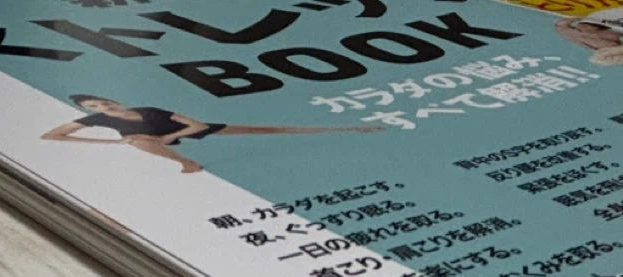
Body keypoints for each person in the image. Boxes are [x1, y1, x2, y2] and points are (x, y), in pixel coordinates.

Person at [42, 96, 384, 174]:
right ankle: (186, 163)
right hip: (155, 140)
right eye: (94, 105)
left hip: (181, 131)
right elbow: (53, 135)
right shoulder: (96, 120)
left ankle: (349, 127)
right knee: (138, 141)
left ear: (113, 100)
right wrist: (113, 141)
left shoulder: (149, 109)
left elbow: (196, 125)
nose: (103, 106)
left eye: (103, 101)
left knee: (266, 130)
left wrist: (170, 137)